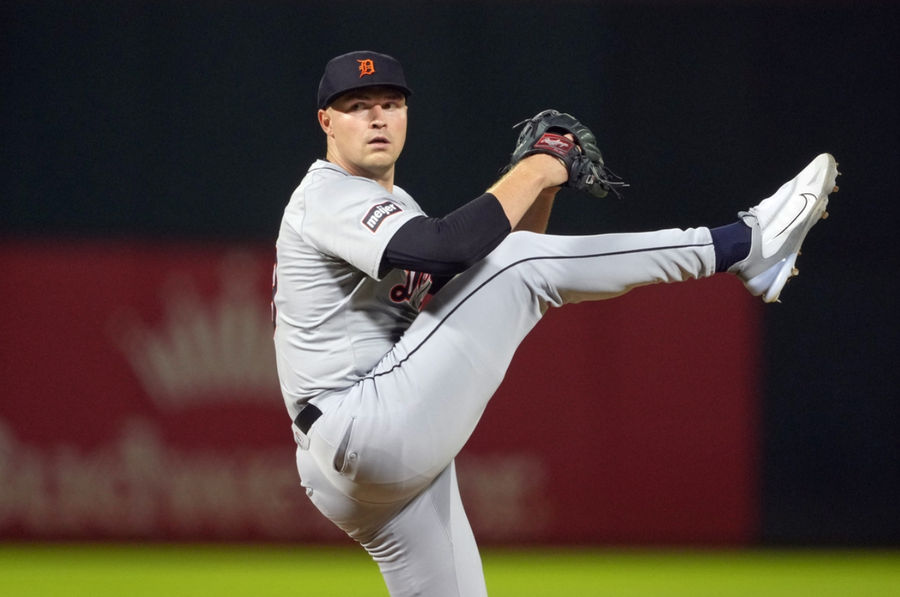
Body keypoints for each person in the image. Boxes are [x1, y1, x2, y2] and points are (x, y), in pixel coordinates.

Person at [272, 50, 838, 596]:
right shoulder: (329, 195)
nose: (376, 116)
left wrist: (542, 183)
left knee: (515, 265)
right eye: (356, 105)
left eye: (389, 102)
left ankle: (750, 253)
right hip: (361, 425)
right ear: (326, 121)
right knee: (517, 267)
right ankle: (743, 245)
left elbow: (488, 280)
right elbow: (451, 250)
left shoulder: (393, 204)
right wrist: (540, 165)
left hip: (362, 450)